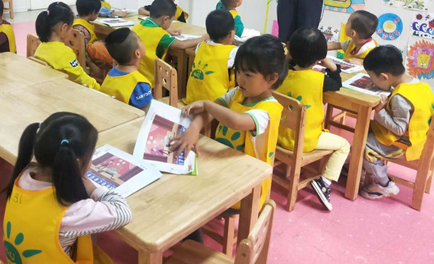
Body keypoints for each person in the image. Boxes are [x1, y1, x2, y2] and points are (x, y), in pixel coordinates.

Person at [171, 35, 288, 207]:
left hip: (246, 183)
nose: (240, 79)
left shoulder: (269, 110)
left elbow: (237, 122)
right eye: (238, 71)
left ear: (271, 79)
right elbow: (212, 111)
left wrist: (207, 104)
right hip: (223, 165)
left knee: (190, 196)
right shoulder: (239, 93)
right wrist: (194, 128)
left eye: (248, 74)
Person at [4, 112, 132, 262]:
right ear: (76, 162)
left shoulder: (24, 175)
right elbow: (123, 212)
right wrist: (95, 190)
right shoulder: (70, 211)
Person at [277, 27, 350, 211]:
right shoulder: (319, 80)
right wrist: (332, 66)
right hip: (304, 139)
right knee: (344, 145)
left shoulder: (280, 72)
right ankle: (324, 181)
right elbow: (337, 83)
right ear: (319, 57)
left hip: (278, 134)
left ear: (289, 48)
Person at [361, 46, 434, 200]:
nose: (372, 81)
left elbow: (399, 129)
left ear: (384, 77)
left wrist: (380, 111)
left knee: (364, 145)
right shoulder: (421, 86)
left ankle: (384, 184)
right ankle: (363, 168)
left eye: (372, 78)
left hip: (406, 145)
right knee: (368, 131)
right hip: (421, 136)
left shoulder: (400, 98)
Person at [133, 0, 208, 85]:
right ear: (165, 19)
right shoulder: (160, 35)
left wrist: (167, 31)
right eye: (172, 20)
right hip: (150, 78)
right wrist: (202, 38)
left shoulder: (140, 25)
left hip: (135, 73)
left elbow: (150, 31)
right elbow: (182, 45)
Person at [34, 2, 100, 90]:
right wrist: (99, 88)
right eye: (71, 27)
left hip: (48, 88)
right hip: (63, 90)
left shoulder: (41, 46)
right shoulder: (64, 53)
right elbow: (81, 78)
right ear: (64, 27)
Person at [186, 10, 237, 103]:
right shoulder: (232, 52)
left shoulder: (200, 46)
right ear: (231, 34)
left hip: (192, 99)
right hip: (215, 104)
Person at [100, 29, 152, 111]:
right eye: (140, 40)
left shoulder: (112, 72)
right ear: (137, 53)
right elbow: (146, 112)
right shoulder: (139, 83)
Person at [73, 0, 114, 73]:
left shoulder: (76, 21)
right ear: (93, 12)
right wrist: (91, 64)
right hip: (83, 60)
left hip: (81, 56)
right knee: (101, 47)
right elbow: (83, 52)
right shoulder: (82, 30)